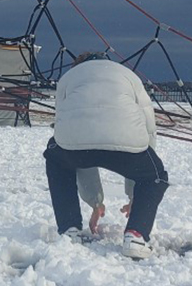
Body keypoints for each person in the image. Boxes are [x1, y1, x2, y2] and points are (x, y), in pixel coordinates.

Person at [44, 52, 169, 260]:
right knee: (154, 176)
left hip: (73, 145)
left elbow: (73, 132)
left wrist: (95, 202)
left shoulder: (68, 78)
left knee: (57, 158)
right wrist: (134, 194)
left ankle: (69, 230)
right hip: (128, 142)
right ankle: (136, 234)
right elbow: (148, 129)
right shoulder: (128, 75)